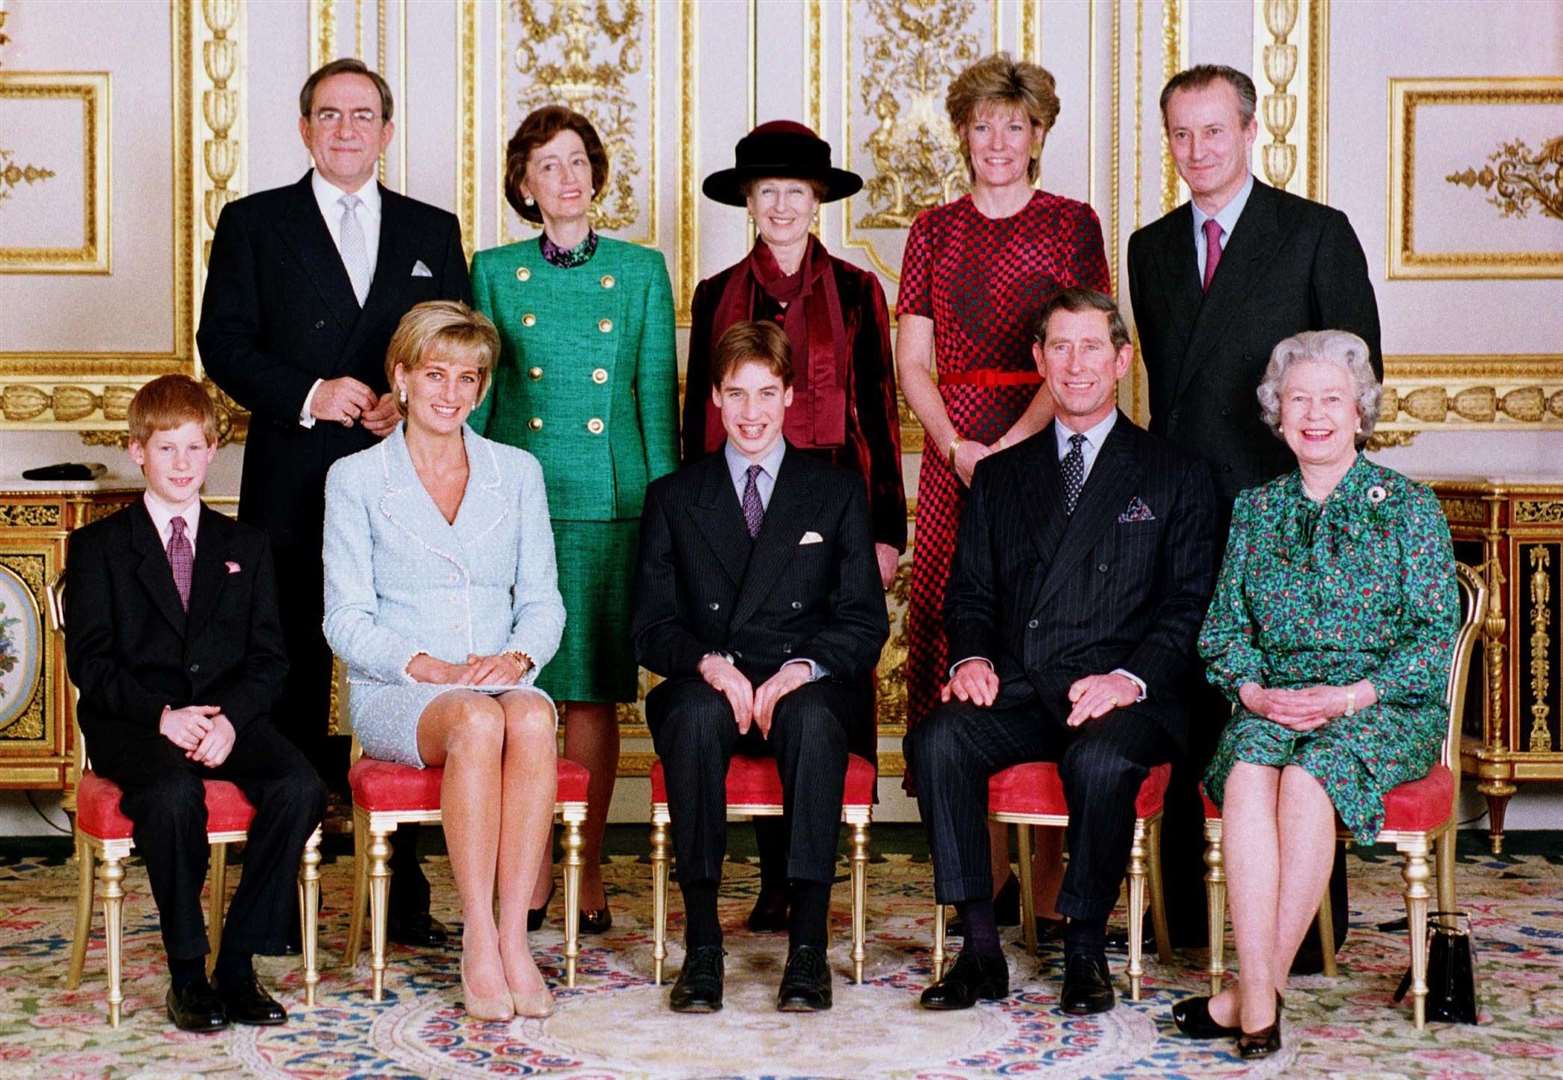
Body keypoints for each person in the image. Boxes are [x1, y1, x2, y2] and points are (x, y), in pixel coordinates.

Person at [198, 57, 469, 950]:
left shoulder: (433, 227)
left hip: (405, 480)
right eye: (329, 114)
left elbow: (455, 341)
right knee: (292, 680)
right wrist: (312, 390)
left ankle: (408, 896)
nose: (346, 128)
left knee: (401, 670)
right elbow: (223, 342)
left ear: (387, 131)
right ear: (304, 129)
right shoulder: (254, 222)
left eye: (363, 115)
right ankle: (282, 893)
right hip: (294, 482)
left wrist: (407, 395)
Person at [1125, 63, 1381, 961]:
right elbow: (1163, 399)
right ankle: (1188, 924)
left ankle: (1298, 937)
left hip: (1290, 525)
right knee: (1193, 700)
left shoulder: (1314, 234)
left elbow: (1353, 392)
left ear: (1248, 131)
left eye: (1213, 131)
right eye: (1180, 135)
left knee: (1294, 713)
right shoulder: (1148, 247)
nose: (1196, 151)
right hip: (1183, 518)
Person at [910, 288, 1217, 1015]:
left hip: (1125, 694)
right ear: (1038, 359)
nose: (1074, 364)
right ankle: (979, 948)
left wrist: (1125, 678)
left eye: (1090, 348)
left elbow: (1188, 606)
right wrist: (971, 660)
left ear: (1120, 360)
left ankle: (1083, 948)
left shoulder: (1175, 472)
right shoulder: (1000, 475)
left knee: (1100, 759)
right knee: (938, 739)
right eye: (1059, 347)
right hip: (1022, 684)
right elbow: (970, 594)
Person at [1174, 330, 1457, 1057]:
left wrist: (1349, 696)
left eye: (1331, 398)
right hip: (1274, 699)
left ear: (1360, 411)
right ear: (1276, 412)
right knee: (1246, 773)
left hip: (1379, 706)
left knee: (1306, 779)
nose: (1314, 413)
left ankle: (1250, 996)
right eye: (1297, 398)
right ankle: (1260, 995)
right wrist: (1253, 690)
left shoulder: (1407, 506)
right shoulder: (1256, 509)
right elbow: (1223, 629)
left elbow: (1430, 640)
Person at [896, 52, 1110, 928]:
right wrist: (953, 446)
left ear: (1037, 137)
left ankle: (1055, 890)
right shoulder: (933, 229)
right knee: (958, 637)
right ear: (962, 134)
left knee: (1047, 630)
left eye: (1013, 126)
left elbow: (1085, 350)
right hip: (954, 454)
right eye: (980, 125)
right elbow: (912, 358)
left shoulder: (1070, 223)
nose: (995, 140)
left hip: (1044, 436)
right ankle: (973, 885)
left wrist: (1011, 446)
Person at [632, 320, 889, 1014]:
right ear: (714, 398)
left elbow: (865, 620)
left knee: (810, 721)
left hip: (802, 684)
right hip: (707, 680)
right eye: (736, 394)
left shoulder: (832, 492)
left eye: (766, 393)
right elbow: (650, 626)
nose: (751, 412)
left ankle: (806, 944)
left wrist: (800, 668)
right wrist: (710, 666)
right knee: (688, 716)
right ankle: (704, 944)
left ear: (789, 397)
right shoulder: (674, 496)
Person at [687, 119, 905, 932]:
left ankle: (803, 878)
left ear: (817, 203)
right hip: (737, 517)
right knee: (742, 681)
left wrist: (885, 532)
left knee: (812, 687)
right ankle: (767, 877)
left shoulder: (856, 291)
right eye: (767, 192)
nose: (781, 206)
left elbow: (878, 415)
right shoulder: (716, 295)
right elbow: (694, 423)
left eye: (796, 193)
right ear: (748, 201)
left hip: (831, 525)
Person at [322, 301, 566, 1021]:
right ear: (400, 377)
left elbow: (544, 602)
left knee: (526, 717)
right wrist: (423, 665)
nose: (450, 393)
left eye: (467, 378)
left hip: (498, 676)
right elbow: (344, 618)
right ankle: (480, 938)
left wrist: (518, 655)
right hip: (400, 690)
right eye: (435, 374)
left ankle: (516, 938)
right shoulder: (356, 479)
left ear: (483, 389)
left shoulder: (517, 472)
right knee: (476, 723)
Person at [469, 105, 679, 935]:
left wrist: (666, 520)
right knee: (523, 689)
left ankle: (584, 863)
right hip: (519, 504)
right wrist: (466, 511)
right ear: (524, 185)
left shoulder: (639, 271)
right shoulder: (492, 269)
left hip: (608, 506)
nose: (567, 177)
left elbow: (653, 404)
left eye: (578, 161)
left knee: (590, 695)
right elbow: (481, 405)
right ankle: (523, 870)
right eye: (547, 165)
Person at [64, 375, 327, 1033]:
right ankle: (188, 971)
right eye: (165, 449)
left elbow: (270, 659)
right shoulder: (98, 548)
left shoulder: (246, 546)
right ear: (137, 453)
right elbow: (91, 664)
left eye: (193, 448)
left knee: (300, 786)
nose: (181, 463)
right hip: (134, 720)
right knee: (173, 796)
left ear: (213, 451)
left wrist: (232, 719)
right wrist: (163, 716)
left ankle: (236, 965)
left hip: (224, 716)